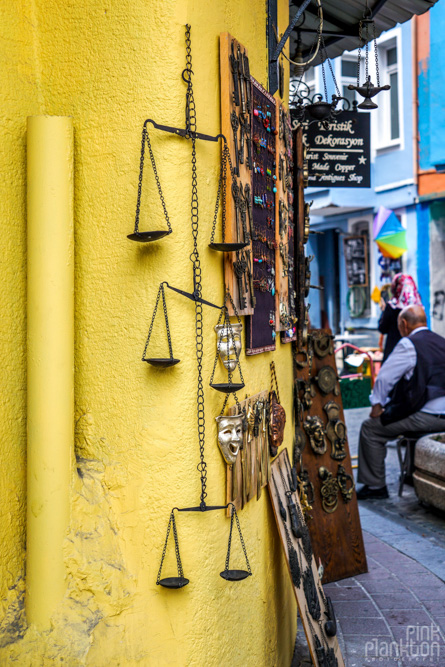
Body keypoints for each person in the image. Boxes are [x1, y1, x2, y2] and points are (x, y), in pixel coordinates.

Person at [357, 305, 445, 499]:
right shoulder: (441, 341)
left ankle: (375, 486)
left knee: (370, 429)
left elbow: (384, 378)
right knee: (405, 414)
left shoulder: (409, 344)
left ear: (404, 324)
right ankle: (411, 474)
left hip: (427, 416)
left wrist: (377, 406)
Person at [378, 274, 422, 362]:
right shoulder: (418, 306)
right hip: (415, 350)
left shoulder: (392, 306)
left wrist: (383, 311)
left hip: (394, 350)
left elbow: (382, 328)